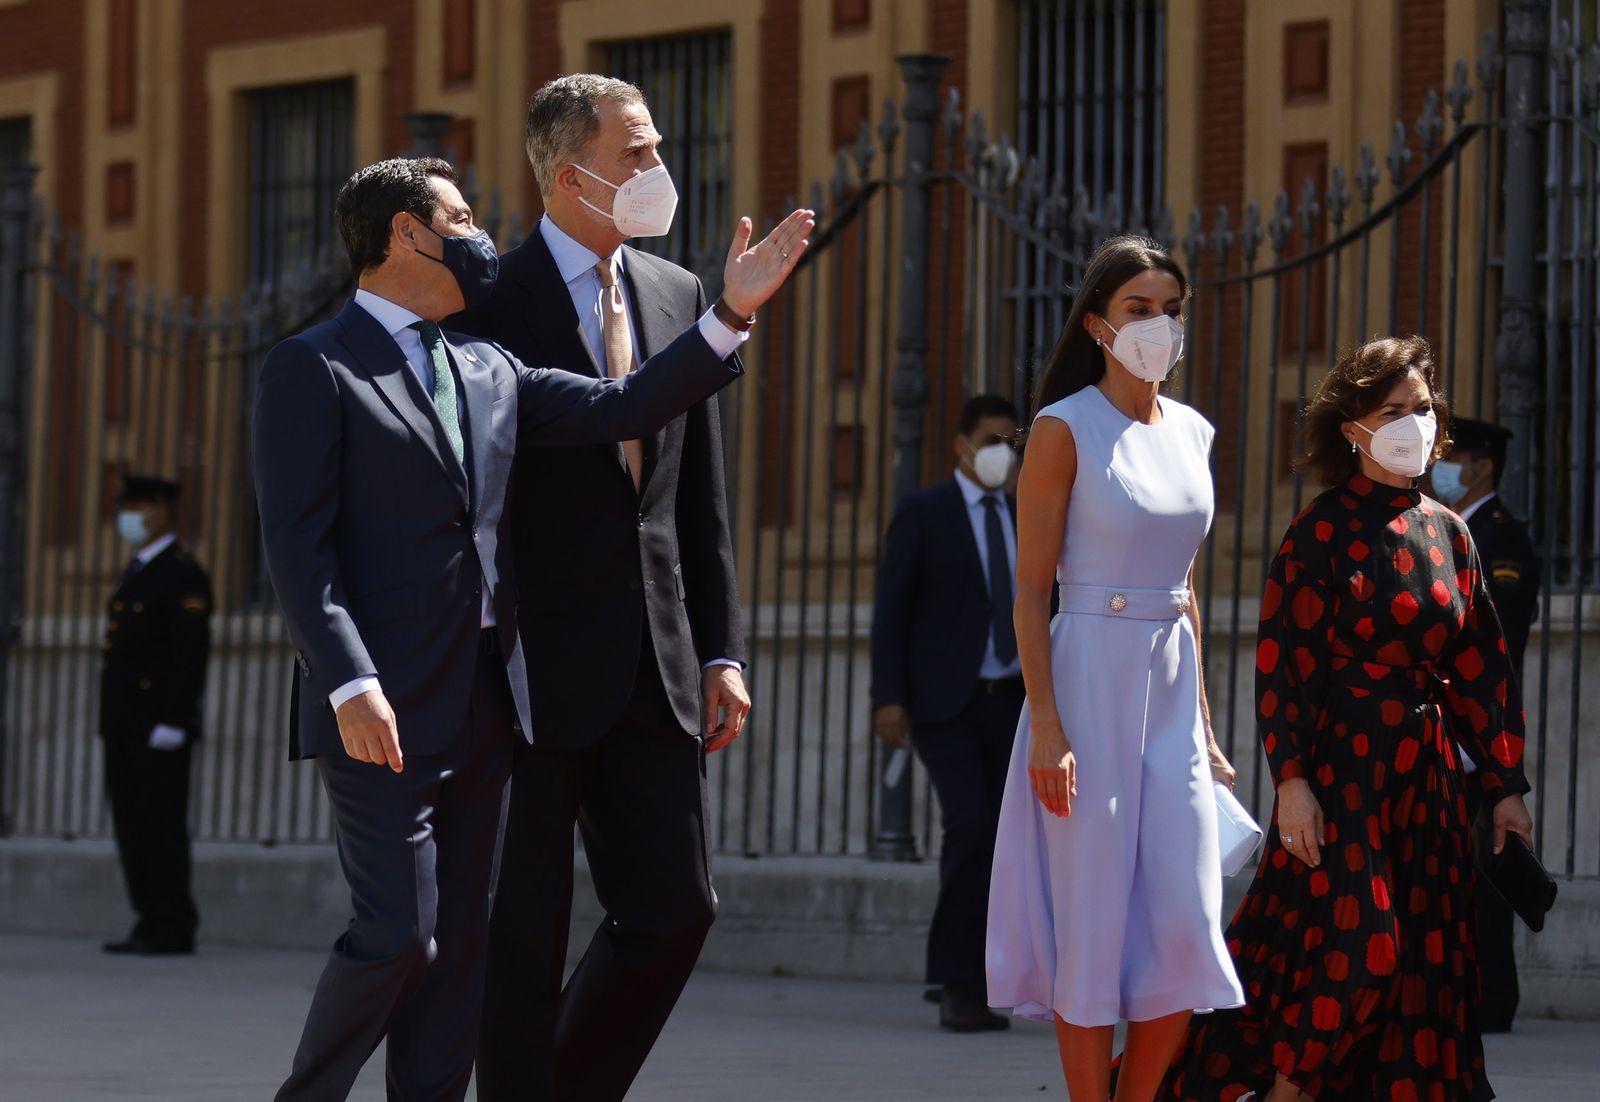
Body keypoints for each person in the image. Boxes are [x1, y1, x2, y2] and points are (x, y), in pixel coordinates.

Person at [252, 155, 809, 1102]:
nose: (479, 236)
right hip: (381, 705)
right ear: (405, 233)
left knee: (462, 943)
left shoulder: (489, 366)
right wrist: (348, 680)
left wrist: (730, 314)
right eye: (460, 219)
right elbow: (298, 549)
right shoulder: (313, 364)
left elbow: (625, 405)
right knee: (399, 935)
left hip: (489, 700)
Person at [451, 75, 752, 1101]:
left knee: (676, 910)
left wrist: (721, 647)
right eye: (635, 153)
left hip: (656, 665)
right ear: (568, 174)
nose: (657, 167)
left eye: (654, 147)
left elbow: (697, 493)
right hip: (527, 673)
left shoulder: (676, 291)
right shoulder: (490, 301)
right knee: (521, 932)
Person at [1161, 336, 1536, 1101]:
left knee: (1422, 966)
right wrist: (1291, 781)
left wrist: (1505, 786)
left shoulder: (1451, 533)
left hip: (1426, 780)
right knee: (1362, 948)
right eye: (1392, 411)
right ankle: (1287, 1091)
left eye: (1422, 408)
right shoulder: (1320, 531)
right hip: (1343, 779)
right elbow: (1285, 664)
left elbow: (1482, 670)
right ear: (1352, 428)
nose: (1414, 424)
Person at [985, 235, 1244, 1102]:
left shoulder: (1195, 432)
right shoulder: (1064, 428)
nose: (1158, 324)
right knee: (1092, 923)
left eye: (1171, 309)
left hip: (1170, 692)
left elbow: (1187, 590)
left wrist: (1205, 727)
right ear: (1098, 324)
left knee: (1188, 924)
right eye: (1139, 309)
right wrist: (1046, 725)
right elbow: (1032, 593)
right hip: (1087, 685)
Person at [871, 393, 1026, 1033]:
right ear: (961, 445)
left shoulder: (1027, 513)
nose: (1002, 454)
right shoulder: (924, 512)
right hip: (945, 704)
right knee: (971, 826)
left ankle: (968, 973)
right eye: (991, 441)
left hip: (1012, 702)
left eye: (1011, 444)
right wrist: (888, 697)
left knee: (1002, 841)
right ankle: (960, 984)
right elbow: (893, 609)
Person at [1431, 415, 1542, 1034]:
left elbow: (1503, 640)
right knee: (1455, 868)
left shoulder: (1502, 539)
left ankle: (1493, 998)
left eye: (1457, 458)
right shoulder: (1443, 530)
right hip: (1439, 724)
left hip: (1479, 729)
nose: (1444, 468)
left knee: (1487, 865)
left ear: (1483, 466)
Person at [99, 473, 212, 956]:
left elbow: (189, 654)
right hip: (125, 723)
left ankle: (172, 923)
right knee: (131, 823)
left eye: (139, 507)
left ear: (162, 511)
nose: (129, 517)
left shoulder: (182, 573)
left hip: (159, 726)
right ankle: (149, 918)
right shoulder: (138, 570)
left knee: (160, 825)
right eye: (127, 507)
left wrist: (175, 719)